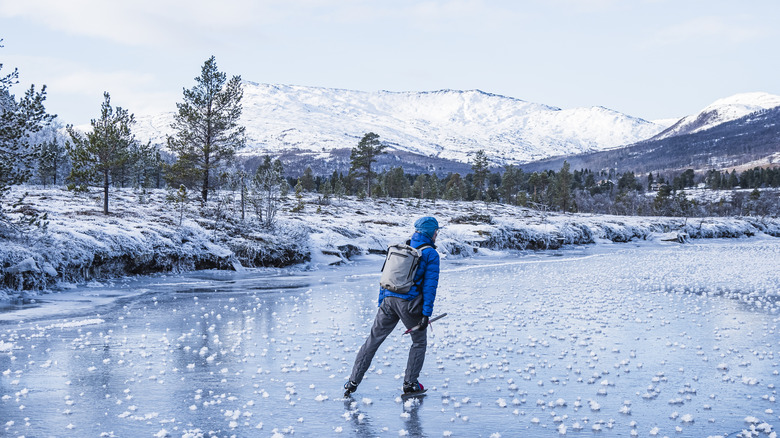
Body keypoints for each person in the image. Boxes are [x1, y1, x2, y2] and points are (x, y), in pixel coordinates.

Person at [344, 216, 441, 397]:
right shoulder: (430, 254)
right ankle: (410, 383)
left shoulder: (401, 248)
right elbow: (430, 286)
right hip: (410, 304)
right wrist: (426, 314)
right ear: (430, 232)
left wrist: (382, 302)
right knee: (419, 341)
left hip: (388, 300)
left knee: (373, 340)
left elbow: (386, 277)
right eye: (436, 231)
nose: (437, 234)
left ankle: (352, 381)